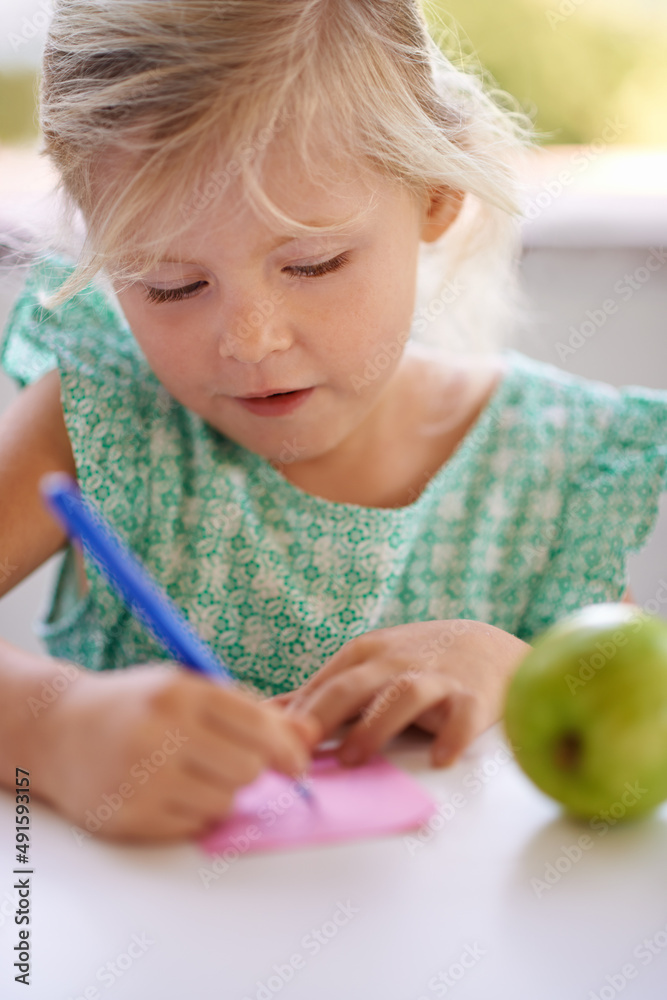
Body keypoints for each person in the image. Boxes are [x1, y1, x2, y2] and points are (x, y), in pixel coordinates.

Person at [1, 0, 665, 844]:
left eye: (312, 263)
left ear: (435, 195)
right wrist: (46, 727)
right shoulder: (101, 416)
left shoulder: (556, 467)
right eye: (170, 284)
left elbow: (636, 745)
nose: (249, 341)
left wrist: (519, 672)